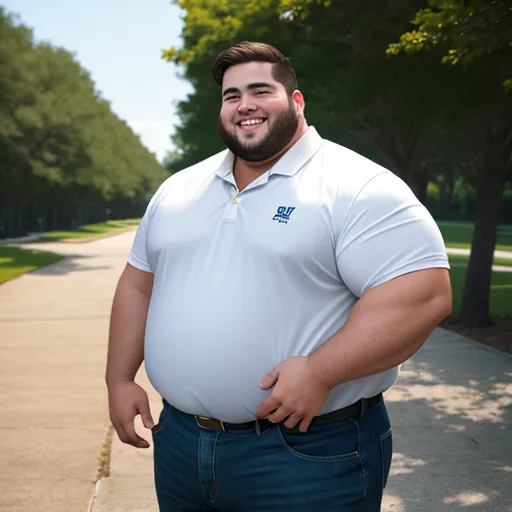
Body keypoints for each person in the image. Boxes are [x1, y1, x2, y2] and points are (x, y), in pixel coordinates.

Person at [105, 41, 452, 511]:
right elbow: (137, 283)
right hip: (181, 445)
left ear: (296, 100)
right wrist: (119, 378)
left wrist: (320, 370)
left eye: (259, 90)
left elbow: (423, 295)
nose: (244, 104)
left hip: (306, 454)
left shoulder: (358, 186)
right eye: (231, 96)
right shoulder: (178, 189)